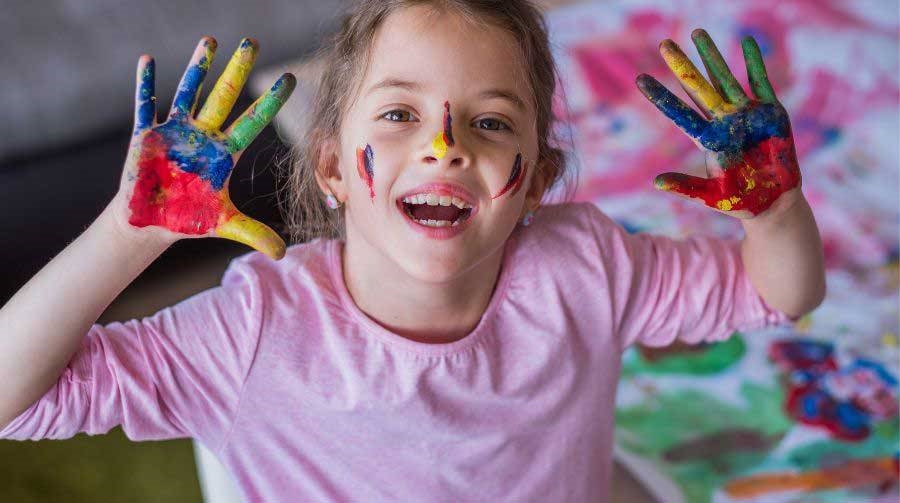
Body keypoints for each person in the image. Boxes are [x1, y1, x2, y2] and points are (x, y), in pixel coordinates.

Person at [0, 1, 826, 501]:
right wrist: (127, 234)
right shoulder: (257, 329)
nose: (444, 145)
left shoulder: (587, 268)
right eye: (398, 114)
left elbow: (782, 291)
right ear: (329, 164)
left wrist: (776, 208)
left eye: (491, 121)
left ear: (538, 177)